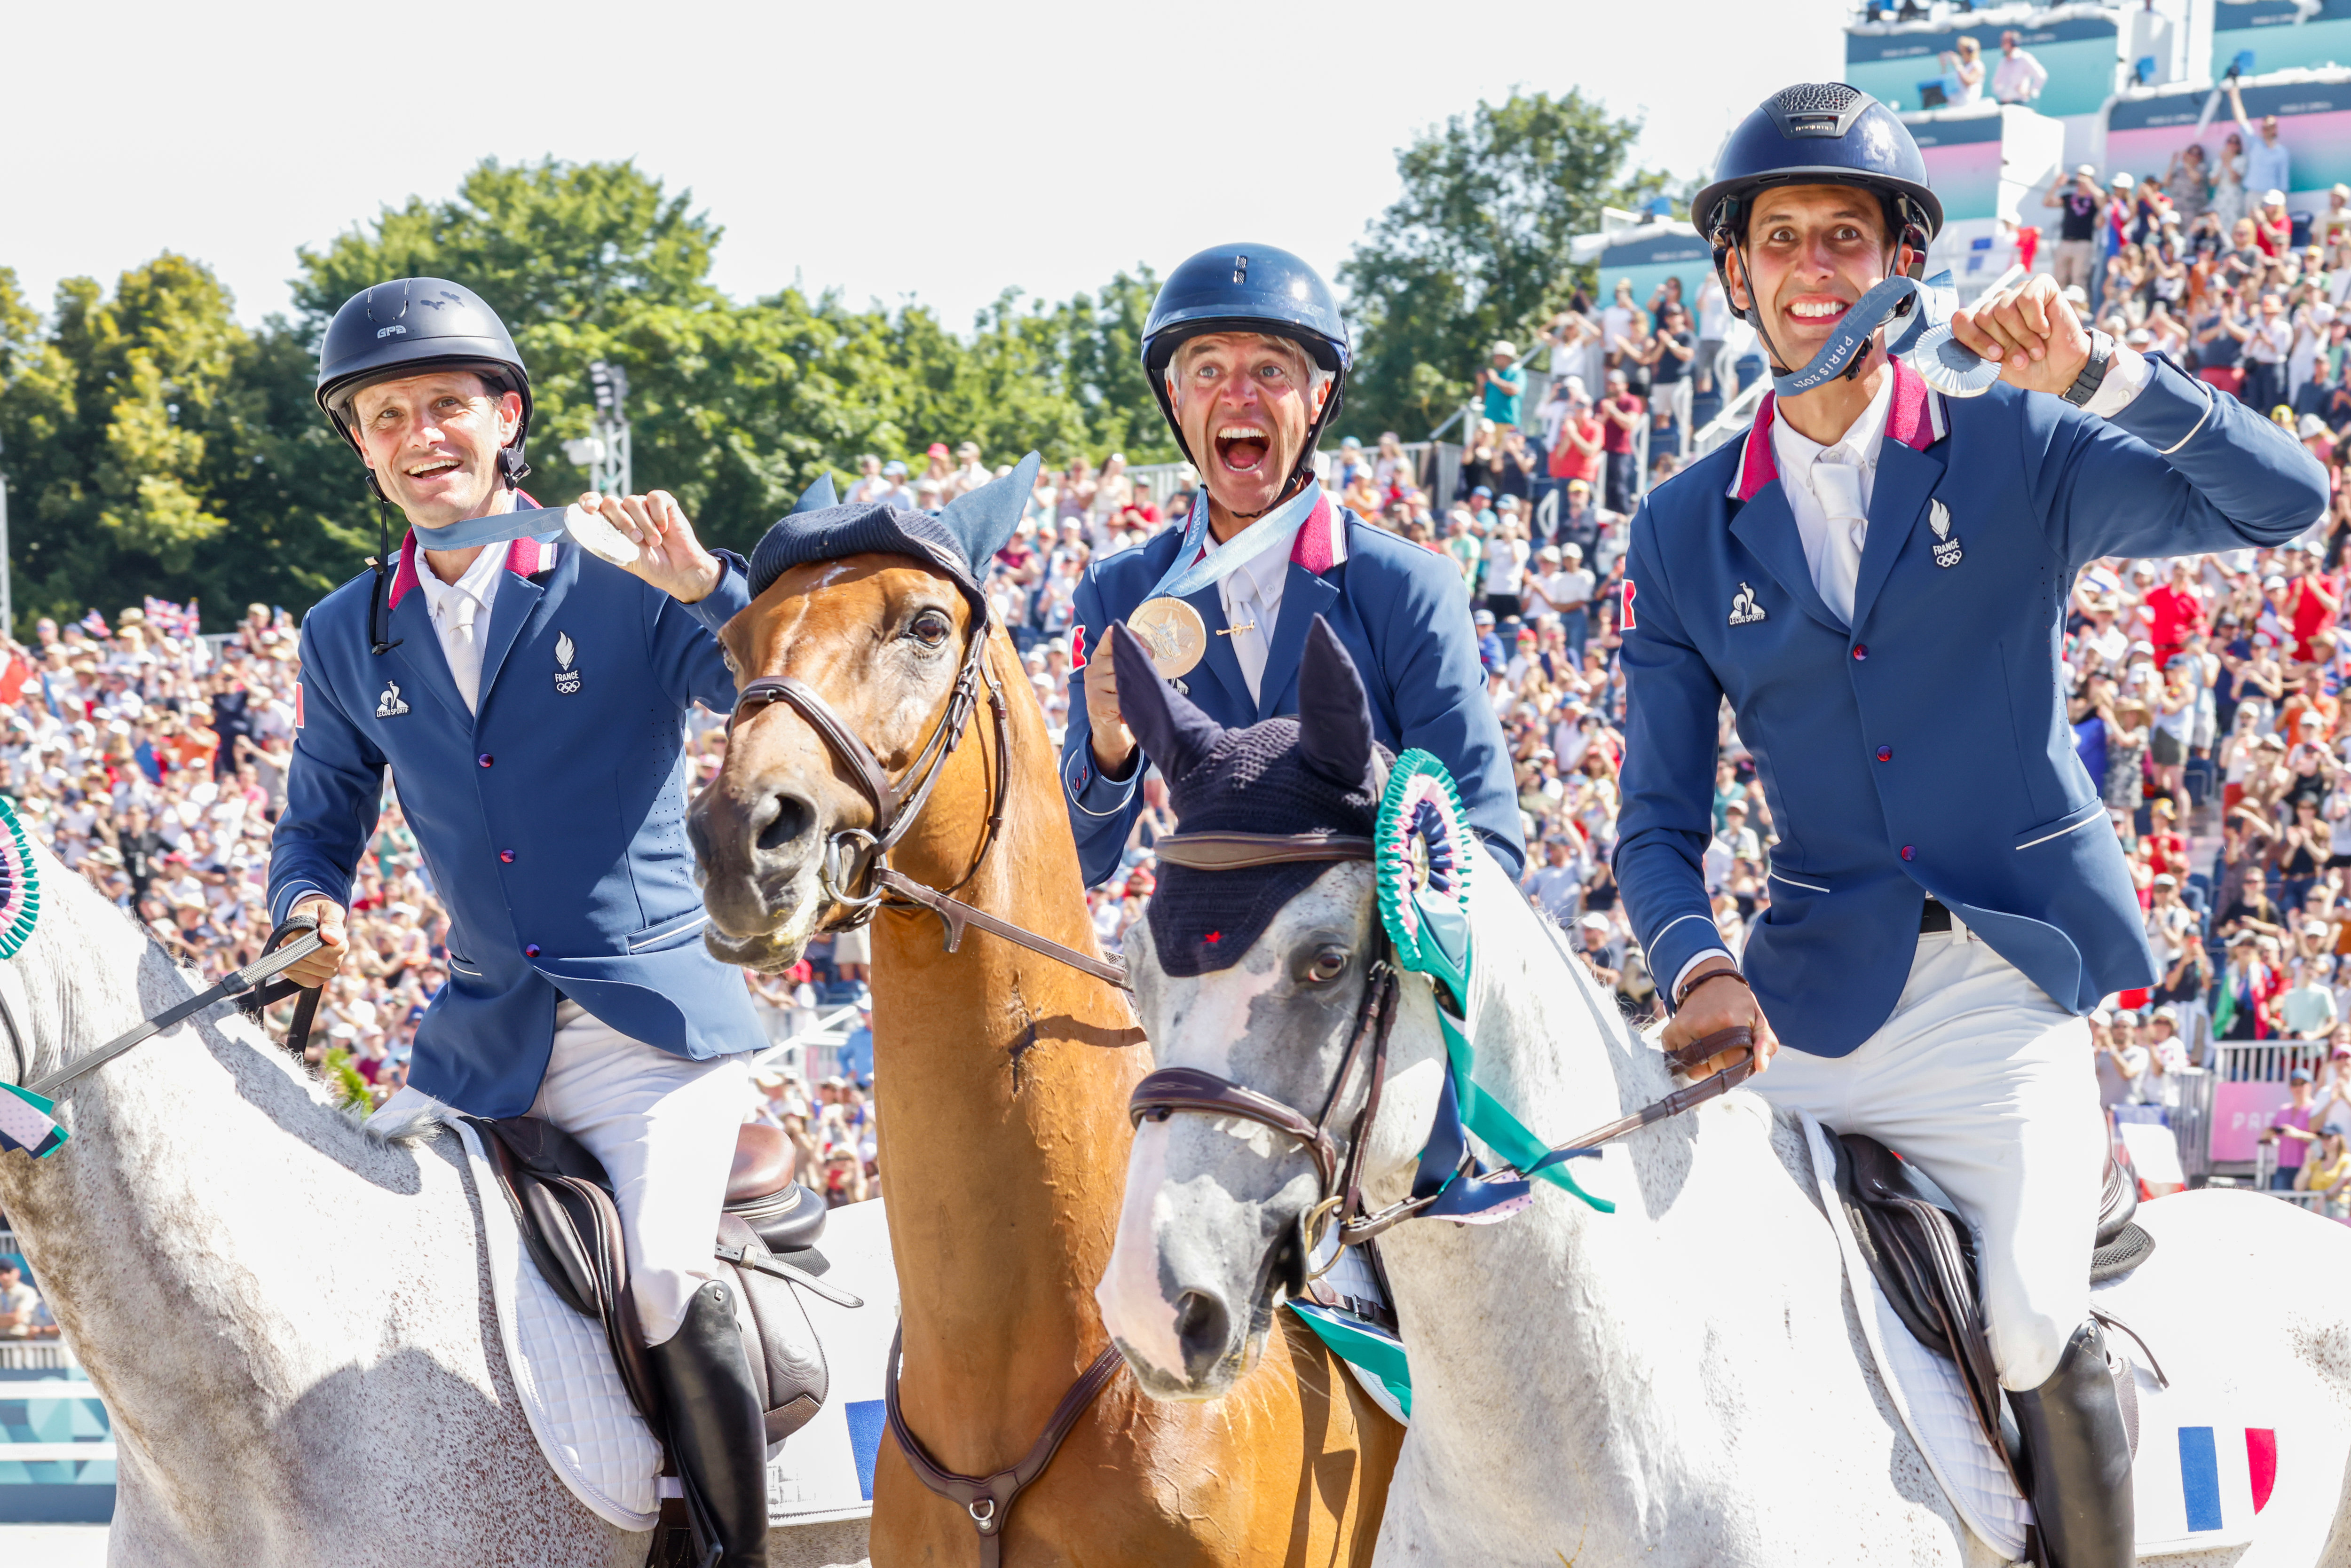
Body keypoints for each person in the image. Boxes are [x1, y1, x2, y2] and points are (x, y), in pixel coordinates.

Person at [1623, 84, 2325, 1568]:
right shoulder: (1681, 523)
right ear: (1733, 274)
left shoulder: (2011, 442)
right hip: (1807, 995)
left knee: (2021, 1314)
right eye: (1780, 239)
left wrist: (2109, 377)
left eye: (1845, 237)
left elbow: (2286, 503)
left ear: (1897, 263)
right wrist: (1695, 965)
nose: (1813, 268)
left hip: (2002, 986)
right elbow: (1651, 823)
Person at [268, 278, 774, 1566]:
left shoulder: (617, 572)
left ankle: (727, 1554)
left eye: (446, 403)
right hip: (481, 1042)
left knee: (664, 1277)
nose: (419, 432)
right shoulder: (344, 630)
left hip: (654, 1027)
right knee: (330, 1259)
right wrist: (308, 901)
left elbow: (763, 686)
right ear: (363, 444)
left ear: (506, 418)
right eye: (387, 414)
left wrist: (710, 581)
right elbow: (321, 817)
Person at [1060, 244, 1525, 887]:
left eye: (1272, 371)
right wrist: (1109, 751)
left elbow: (1486, 839)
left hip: (1368, 967)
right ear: (1175, 395)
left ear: (1318, 395)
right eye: (1209, 369)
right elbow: (1082, 858)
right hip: (1202, 962)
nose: (1239, 395)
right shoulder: (1120, 593)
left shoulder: (1410, 589)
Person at [2046, 165, 2107, 294]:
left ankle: (2079, 308)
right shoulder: (2069, 197)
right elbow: (2047, 202)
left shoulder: (2094, 199)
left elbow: (2104, 203)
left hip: (2084, 243)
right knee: (2060, 278)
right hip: (2065, 242)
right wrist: (2056, 185)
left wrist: (2090, 184)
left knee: (2079, 278)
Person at [1478, 341, 1527, 431]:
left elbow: (1514, 390)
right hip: (1489, 423)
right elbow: (1481, 397)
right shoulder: (1494, 373)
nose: (1495, 358)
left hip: (1508, 424)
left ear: (1508, 357)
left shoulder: (1517, 372)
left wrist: (1496, 380)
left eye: (1499, 355)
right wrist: (1481, 383)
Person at [1993, 29, 2048, 106]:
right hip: (2004, 104)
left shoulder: (2024, 58)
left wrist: (2030, 92)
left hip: (2020, 104)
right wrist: (2002, 93)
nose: (2002, 45)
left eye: (2005, 42)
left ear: (2014, 43)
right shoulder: (2003, 62)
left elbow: (2042, 75)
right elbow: (1996, 83)